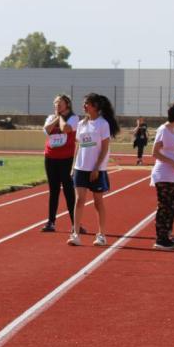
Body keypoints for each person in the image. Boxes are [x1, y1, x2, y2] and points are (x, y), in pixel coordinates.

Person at [67, 93, 119, 247]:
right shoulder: (82, 124)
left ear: (95, 106)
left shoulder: (103, 124)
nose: (84, 106)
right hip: (80, 168)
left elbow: (104, 148)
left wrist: (96, 167)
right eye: (84, 104)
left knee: (98, 202)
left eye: (87, 104)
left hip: (97, 169)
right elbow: (79, 146)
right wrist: (73, 167)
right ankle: (75, 233)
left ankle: (101, 234)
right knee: (79, 200)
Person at [150, 104, 174, 250]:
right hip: (163, 174)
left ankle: (166, 236)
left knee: (171, 206)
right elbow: (155, 153)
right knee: (164, 207)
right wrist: (173, 163)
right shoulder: (163, 130)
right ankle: (160, 239)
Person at [40, 94, 78, 233]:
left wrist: (60, 117)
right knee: (53, 190)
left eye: (60, 103)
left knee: (68, 190)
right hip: (50, 157)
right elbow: (46, 130)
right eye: (55, 103)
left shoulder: (74, 118)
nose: (57, 106)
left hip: (66, 158)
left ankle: (75, 223)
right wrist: (57, 117)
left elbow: (66, 129)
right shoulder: (51, 117)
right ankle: (51, 222)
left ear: (67, 104)